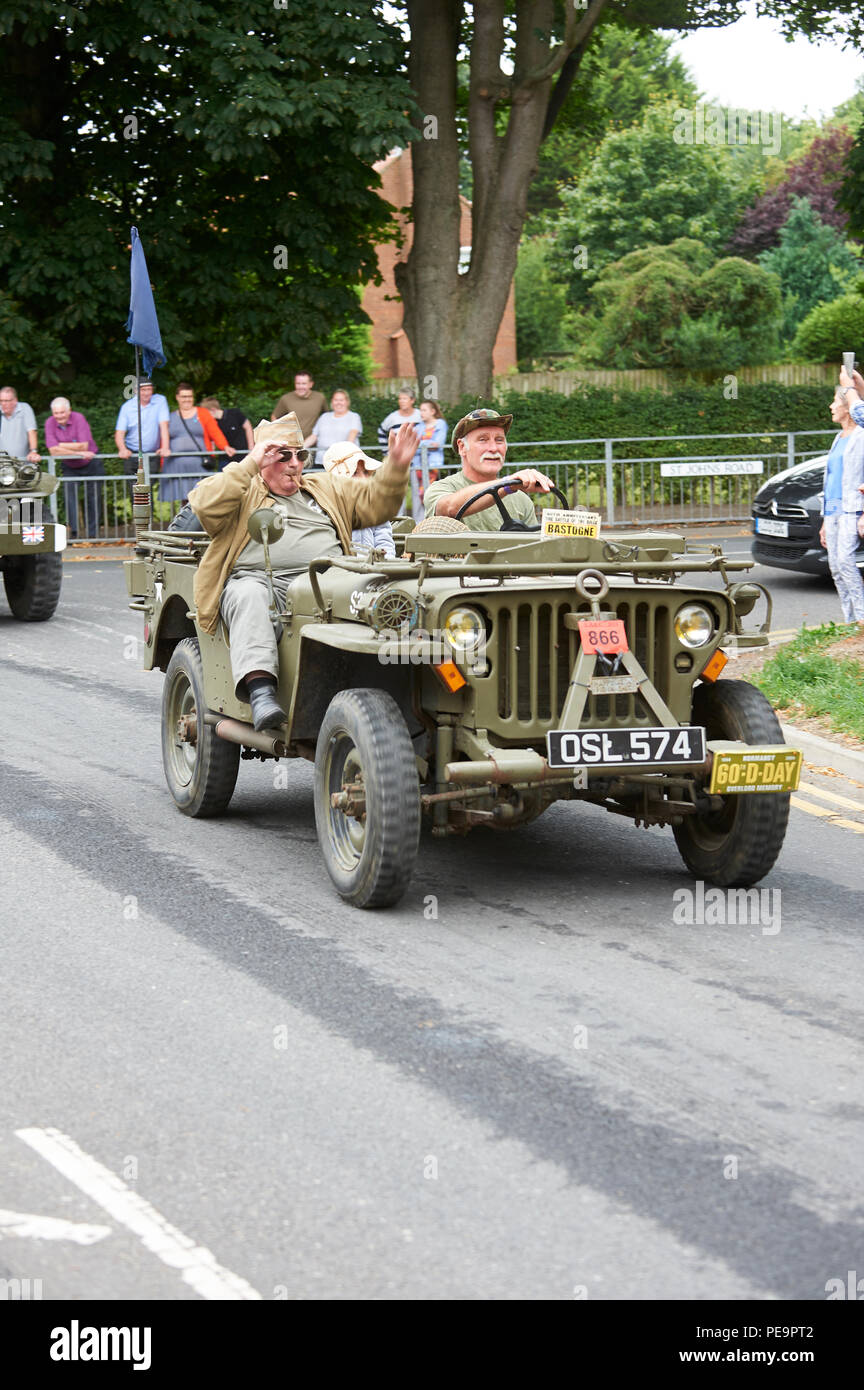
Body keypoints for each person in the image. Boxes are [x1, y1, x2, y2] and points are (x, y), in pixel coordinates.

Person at [188, 414, 417, 731]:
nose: (294, 464)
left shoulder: (323, 488)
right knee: (247, 594)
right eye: (283, 456)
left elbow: (377, 503)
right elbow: (203, 504)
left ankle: (402, 684)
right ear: (263, 458)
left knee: (391, 595)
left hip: (329, 582)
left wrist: (397, 465)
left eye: (300, 455)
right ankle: (261, 691)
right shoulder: (243, 491)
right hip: (265, 585)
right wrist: (250, 463)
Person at [423, 407, 556, 530]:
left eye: (499, 440)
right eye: (483, 440)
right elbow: (449, 508)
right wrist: (507, 485)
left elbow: (533, 550)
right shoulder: (442, 488)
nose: (493, 448)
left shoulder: (522, 501)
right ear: (462, 447)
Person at [820, 377, 864, 627]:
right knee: (836, 567)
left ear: (847, 406)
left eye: (835, 401)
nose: (831, 406)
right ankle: (849, 621)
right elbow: (831, 479)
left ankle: (861, 618)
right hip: (833, 510)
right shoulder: (839, 437)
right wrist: (825, 521)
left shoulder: (862, 435)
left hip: (852, 509)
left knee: (847, 562)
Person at [159, 383, 235, 506]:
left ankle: (200, 524)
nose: (187, 399)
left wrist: (224, 446)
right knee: (183, 499)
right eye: (184, 397)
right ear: (177, 397)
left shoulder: (203, 413)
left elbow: (215, 432)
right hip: (176, 464)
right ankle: (183, 524)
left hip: (199, 463)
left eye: (190, 396)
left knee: (200, 497)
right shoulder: (170, 417)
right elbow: (164, 438)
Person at [323, 441, 396, 557]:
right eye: (355, 473)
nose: (363, 479)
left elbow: (384, 541)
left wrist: (386, 563)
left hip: (375, 568)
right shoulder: (327, 508)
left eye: (366, 472)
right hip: (343, 569)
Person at [44, 397, 100, 539]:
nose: (59, 416)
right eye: (56, 413)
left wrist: (60, 445)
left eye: (62, 412)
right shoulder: (49, 422)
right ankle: (74, 533)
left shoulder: (79, 418)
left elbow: (84, 446)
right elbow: (52, 451)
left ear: (69, 411)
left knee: (93, 498)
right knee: (69, 499)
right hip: (69, 465)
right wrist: (78, 452)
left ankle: (93, 535)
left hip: (91, 463)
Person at [410, 399, 447, 522]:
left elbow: (437, 444)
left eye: (424, 410)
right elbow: (412, 443)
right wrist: (426, 445)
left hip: (432, 465)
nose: (421, 413)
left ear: (432, 411)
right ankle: (418, 523)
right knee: (417, 494)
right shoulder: (419, 426)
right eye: (420, 410)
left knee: (427, 493)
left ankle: (431, 521)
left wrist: (420, 445)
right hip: (417, 464)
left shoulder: (440, 424)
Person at [114, 379, 170, 462]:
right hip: (132, 452)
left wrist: (165, 448)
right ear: (136, 391)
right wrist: (122, 449)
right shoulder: (127, 407)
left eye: (149, 389)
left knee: (152, 474)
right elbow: (120, 432)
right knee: (134, 475)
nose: (147, 393)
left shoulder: (160, 401)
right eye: (143, 390)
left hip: (153, 452)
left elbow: (164, 426)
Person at [307, 389, 362, 468]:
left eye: (341, 400)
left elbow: (352, 436)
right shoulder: (324, 417)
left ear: (347, 402)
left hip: (343, 462)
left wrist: (340, 455)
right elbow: (314, 436)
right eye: (336, 400)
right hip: (321, 462)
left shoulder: (354, 417)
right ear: (332, 402)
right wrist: (301, 448)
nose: (338, 403)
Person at [271, 371, 327, 443]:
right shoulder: (286, 399)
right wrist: (280, 435)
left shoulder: (320, 398)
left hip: (313, 443)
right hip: (291, 444)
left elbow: (326, 417)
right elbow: (274, 416)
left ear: (311, 384)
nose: (300, 387)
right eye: (298, 383)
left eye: (304, 384)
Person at [200, 396, 254, 467]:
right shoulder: (212, 424)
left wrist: (251, 448)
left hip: (243, 455)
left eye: (206, 413)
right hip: (225, 458)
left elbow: (248, 427)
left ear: (213, 410)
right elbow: (212, 440)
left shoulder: (235, 413)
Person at [0, 386, 39, 463]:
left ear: (15, 400)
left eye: (6, 401)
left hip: (23, 462)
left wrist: (33, 451)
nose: (3, 404)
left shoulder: (25, 408)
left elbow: (31, 431)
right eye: (1, 401)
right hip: (2, 464)